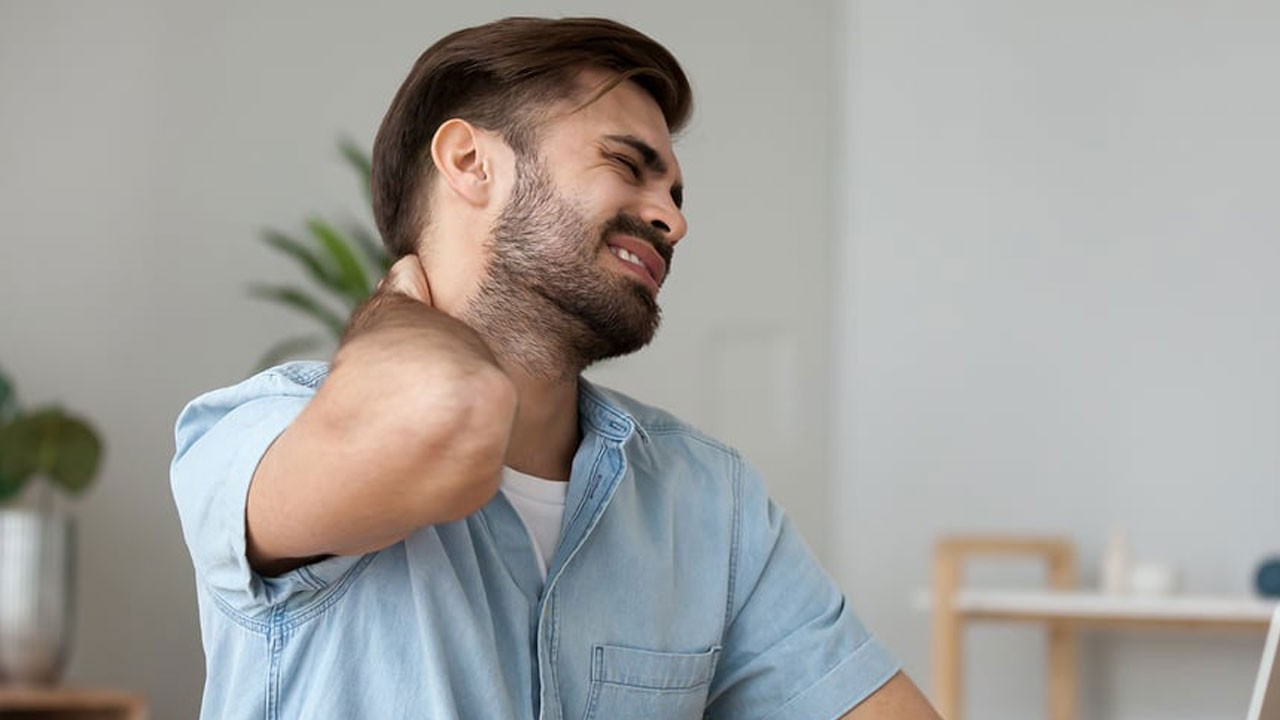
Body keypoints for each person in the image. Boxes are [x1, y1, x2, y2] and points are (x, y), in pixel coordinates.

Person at [171, 16, 941, 719]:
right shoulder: (257, 438)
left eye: (673, 191)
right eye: (627, 164)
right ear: (471, 163)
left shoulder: (707, 502)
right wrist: (392, 305)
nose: (674, 217)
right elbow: (447, 417)